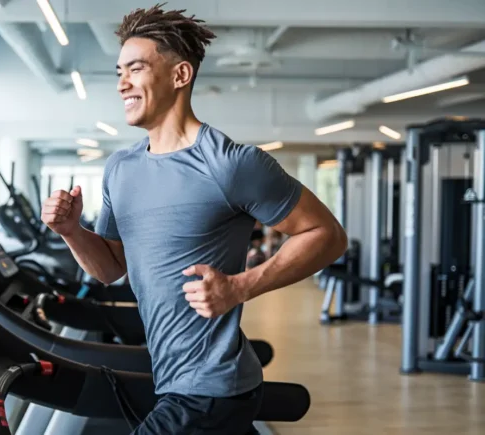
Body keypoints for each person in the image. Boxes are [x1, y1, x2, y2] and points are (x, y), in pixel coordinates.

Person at [40, 4, 347, 434]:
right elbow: (110, 268)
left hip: (212, 388)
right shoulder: (121, 168)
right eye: (118, 72)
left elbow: (328, 235)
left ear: (180, 75)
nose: (122, 83)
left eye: (136, 69)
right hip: (170, 377)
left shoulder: (230, 165)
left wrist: (240, 287)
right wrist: (71, 231)